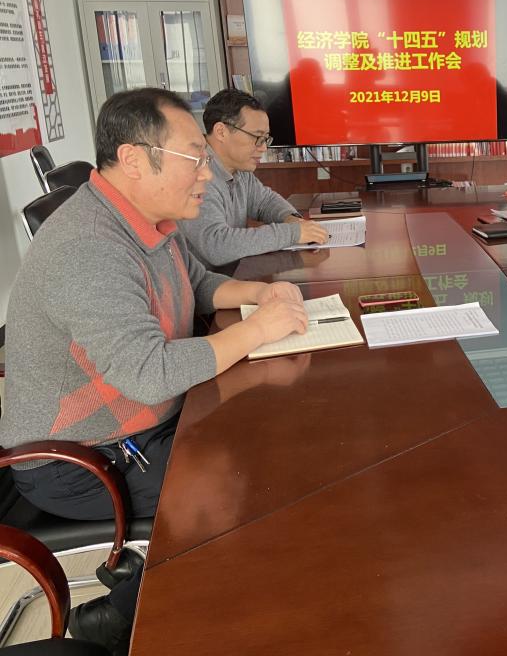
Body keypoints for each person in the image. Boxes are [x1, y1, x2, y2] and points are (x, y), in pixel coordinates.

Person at [0, 88, 311, 653]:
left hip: (140, 424)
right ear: (134, 160)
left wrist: (259, 294)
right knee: (253, 489)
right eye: (194, 157)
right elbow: (147, 372)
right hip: (81, 456)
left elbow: (198, 282)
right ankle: (134, 618)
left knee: (266, 440)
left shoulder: (146, 220)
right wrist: (257, 331)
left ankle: (133, 597)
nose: (206, 174)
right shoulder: (87, 247)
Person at [179, 88, 328, 268]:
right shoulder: (197, 174)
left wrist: (292, 219)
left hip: (232, 276)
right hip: (207, 284)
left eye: (265, 139)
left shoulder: (239, 170)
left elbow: (265, 202)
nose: (263, 148)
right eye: (257, 137)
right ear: (221, 132)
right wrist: (292, 233)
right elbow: (217, 244)